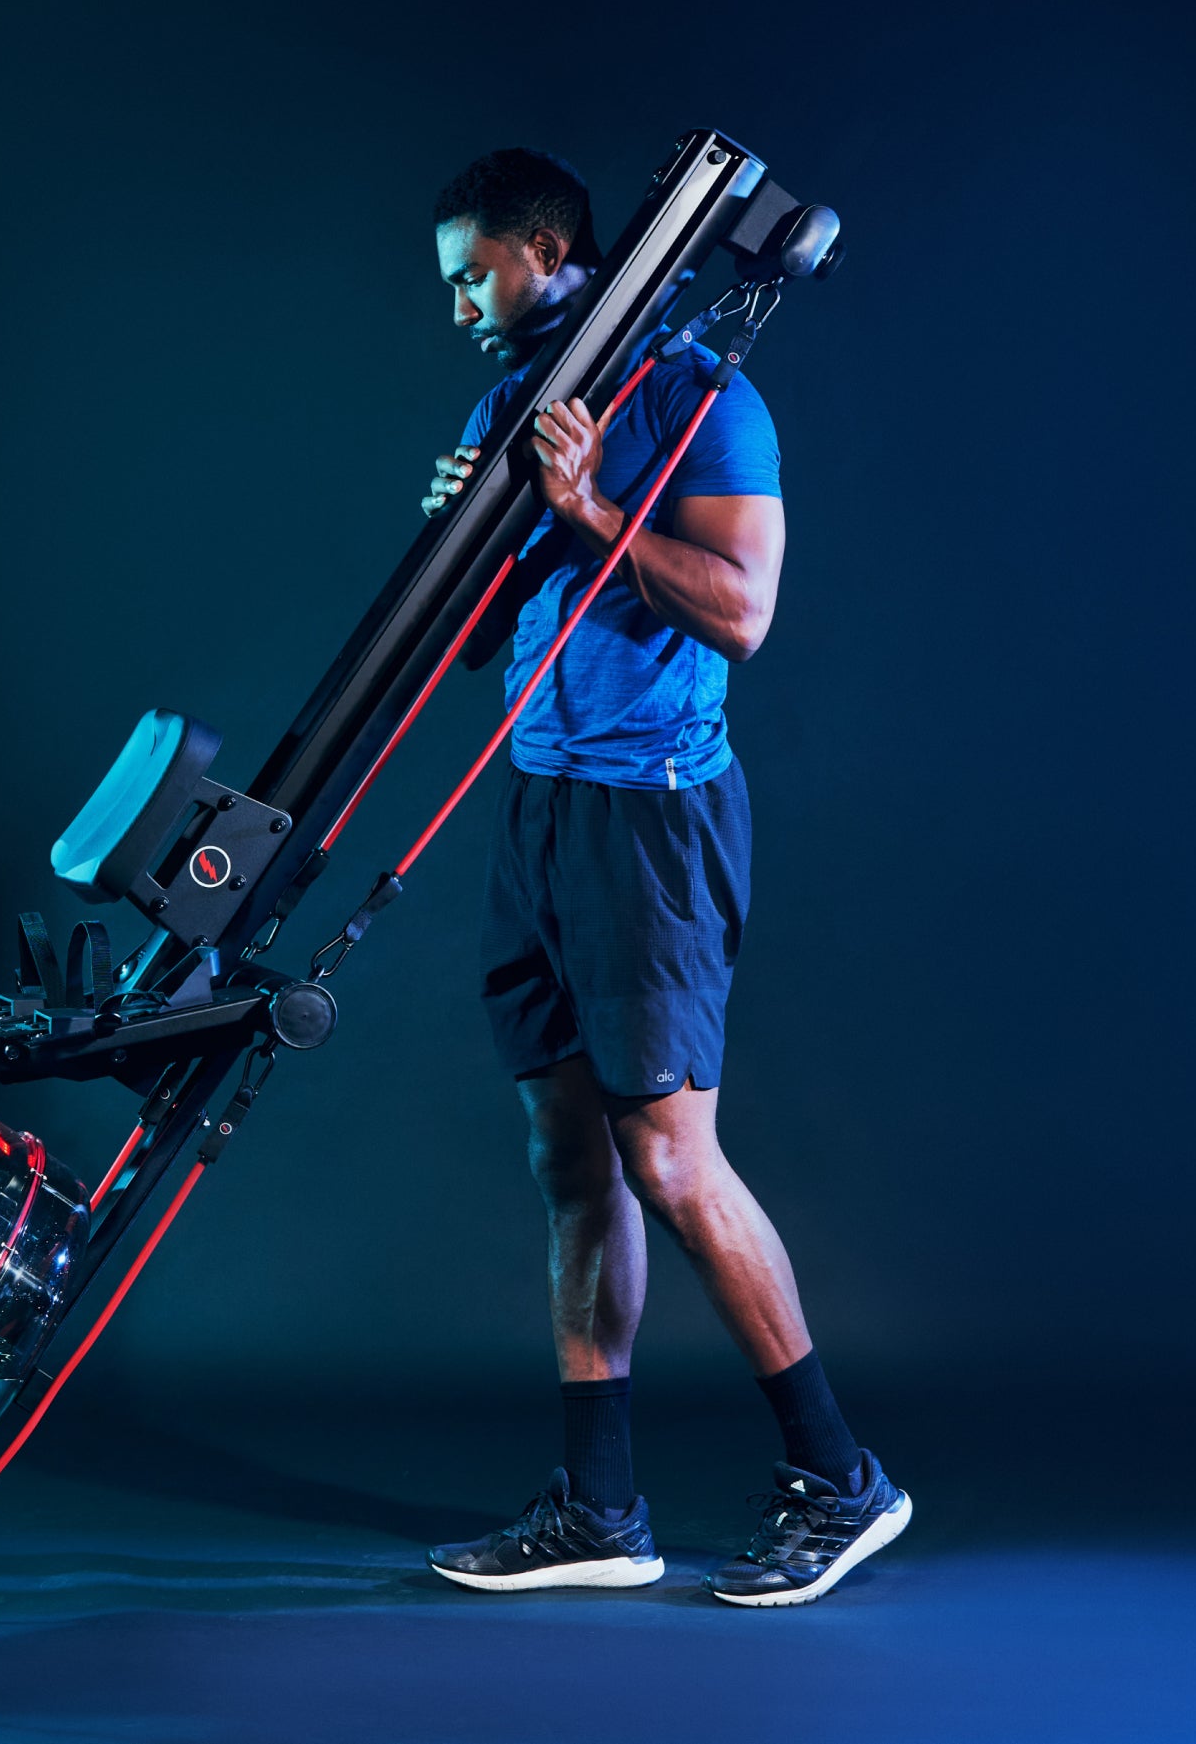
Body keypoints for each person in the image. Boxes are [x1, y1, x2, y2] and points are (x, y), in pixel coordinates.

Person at [414, 147, 910, 1607]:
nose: (459, 308)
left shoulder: (709, 401)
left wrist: (580, 517)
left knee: (668, 1158)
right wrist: (463, 527)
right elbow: (469, 641)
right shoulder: (516, 404)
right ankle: (601, 1506)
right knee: (571, 1161)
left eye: (473, 275)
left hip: (654, 816)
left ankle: (842, 1476)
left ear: (549, 249)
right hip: (545, 802)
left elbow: (743, 614)